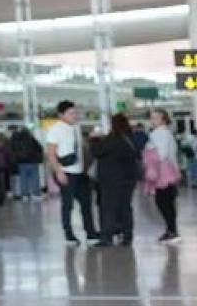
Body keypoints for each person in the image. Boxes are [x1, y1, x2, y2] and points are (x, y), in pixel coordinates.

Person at [46, 101, 100, 245]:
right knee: (68, 205)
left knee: (86, 203)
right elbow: (51, 153)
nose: (74, 116)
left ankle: (91, 233)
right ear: (61, 115)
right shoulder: (55, 130)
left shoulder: (76, 128)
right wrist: (58, 171)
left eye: (75, 113)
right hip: (66, 172)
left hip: (80, 171)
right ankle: (69, 234)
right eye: (71, 113)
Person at [93, 113, 141, 246]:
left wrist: (94, 140)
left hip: (112, 179)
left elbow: (98, 152)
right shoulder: (130, 138)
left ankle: (106, 237)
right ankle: (127, 235)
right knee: (125, 207)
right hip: (129, 179)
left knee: (109, 207)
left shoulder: (113, 138)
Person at [142, 108, 182, 242]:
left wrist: (151, 157)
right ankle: (171, 229)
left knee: (163, 201)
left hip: (162, 172)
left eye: (156, 118)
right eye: (152, 118)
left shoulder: (160, 133)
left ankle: (172, 230)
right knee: (166, 201)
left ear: (163, 119)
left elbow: (162, 154)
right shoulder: (165, 133)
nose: (153, 120)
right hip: (167, 171)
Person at [9, 124, 43, 200]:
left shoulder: (15, 139)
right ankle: (35, 194)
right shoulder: (31, 139)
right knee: (34, 178)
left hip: (21, 162)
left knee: (23, 179)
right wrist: (39, 159)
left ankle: (24, 195)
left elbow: (12, 151)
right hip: (32, 161)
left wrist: (15, 159)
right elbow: (39, 148)